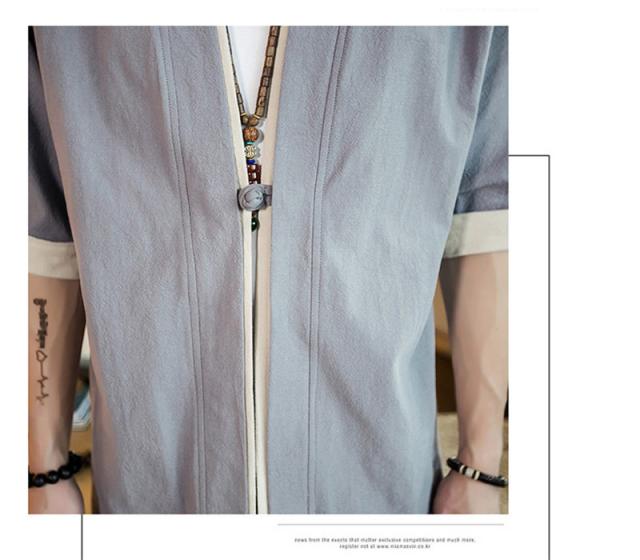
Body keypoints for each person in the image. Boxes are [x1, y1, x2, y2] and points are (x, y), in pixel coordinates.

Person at [28, 25, 508, 514]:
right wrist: (42, 469)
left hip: (376, 490)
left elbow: (487, 207)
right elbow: (42, 226)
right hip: (151, 489)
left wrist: (480, 464)